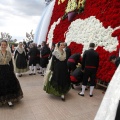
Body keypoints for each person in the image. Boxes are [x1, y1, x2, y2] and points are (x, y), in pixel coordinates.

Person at [0, 40, 23, 107]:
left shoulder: (9, 53)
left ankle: (9, 100)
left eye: (5, 45)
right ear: (0, 45)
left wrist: (12, 71)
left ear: (6, 45)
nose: (3, 46)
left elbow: (11, 63)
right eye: (2, 45)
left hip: (7, 70)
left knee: (8, 84)